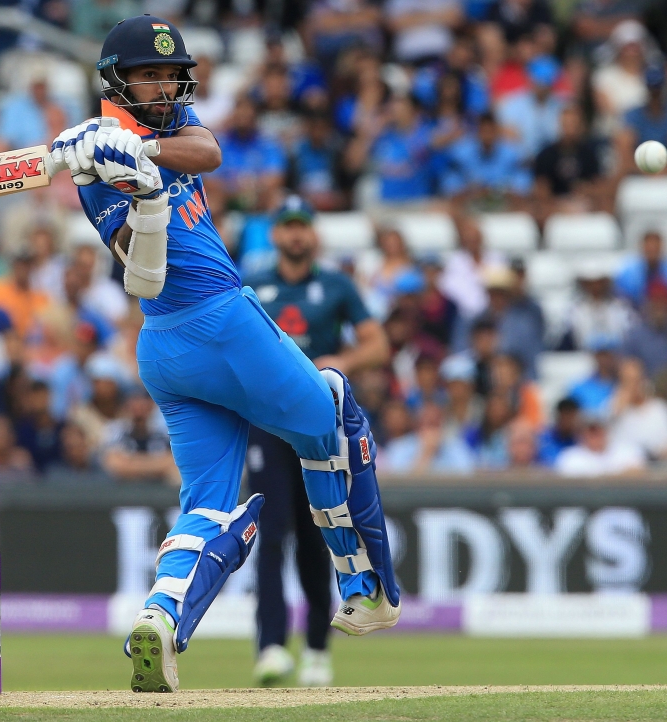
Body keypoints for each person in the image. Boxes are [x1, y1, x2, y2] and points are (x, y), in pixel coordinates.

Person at [52, 16, 403, 693]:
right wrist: (139, 193)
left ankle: (160, 620)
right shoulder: (93, 172)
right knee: (331, 405)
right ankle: (366, 587)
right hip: (215, 323)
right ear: (116, 83)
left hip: (169, 354)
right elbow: (142, 276)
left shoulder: (158, 129)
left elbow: (208, 151)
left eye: (169, 74)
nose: (163, 87)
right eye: (148, 76)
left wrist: (141, 153)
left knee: (208, 505)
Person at [243, 195, 389, 688]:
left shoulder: (335, 285)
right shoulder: (253, 283)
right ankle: (269, 647)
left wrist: (337, 365)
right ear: (276, 234)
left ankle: (318, 650)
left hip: (320, 424)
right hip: (267, 421)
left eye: (303, 226)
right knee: (270, 533)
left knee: (318, 534)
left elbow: (377, 343)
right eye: (287, 226)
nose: (296, 235)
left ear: (314, 234)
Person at [555, 410, 646, 477]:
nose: (596, 434)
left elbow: (639, 473)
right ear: (581, 434)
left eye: (599, 429)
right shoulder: (570, 457)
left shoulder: (626, 451)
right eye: (591, 430)